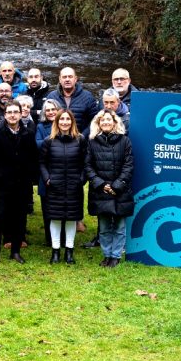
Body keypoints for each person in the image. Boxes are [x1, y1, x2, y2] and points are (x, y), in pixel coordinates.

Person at [0, 100, 38, 266]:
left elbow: (32, 157)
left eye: (16, 112)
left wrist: (28, 176)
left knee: (19, 218)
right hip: (0, 184)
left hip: (21, 184)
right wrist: (0, 175)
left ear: (21, 113)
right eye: (10, 112)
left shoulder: (28, 133)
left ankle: (16, 251)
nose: (13, 115)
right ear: (5, 114)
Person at [85, 109, 134, 268]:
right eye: (102, 120)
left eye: (108, 120)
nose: (105, 122)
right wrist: (101, 184)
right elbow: (88, 166)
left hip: (120, 191)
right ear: (98, 123)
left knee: (120, 227)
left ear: (115, 122)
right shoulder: (92, 142)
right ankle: (107, 255)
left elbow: (128, 165)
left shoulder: (124, 141)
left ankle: (116, 256)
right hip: (100, 191)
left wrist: (117, 185)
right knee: (104, 227)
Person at [40, 109, 87, 265]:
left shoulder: (80, 140)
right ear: (57, 121)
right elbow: (42, 162)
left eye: (68, 119)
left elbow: (86, 162)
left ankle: (69, 251)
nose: (65, 122)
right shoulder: (49, 141)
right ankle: (55, 251)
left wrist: (82, 179)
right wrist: (47, 178)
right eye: (62, 119)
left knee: (71, 218)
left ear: (72, 121)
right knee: (55, 218)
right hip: (55, 186)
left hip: (74, 186)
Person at [35, 99, 62, 246]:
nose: (51, 112)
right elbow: (38, 144)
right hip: (47, 171)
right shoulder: (41, 126)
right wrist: (55, 141)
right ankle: (49, 238)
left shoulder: (65, 124)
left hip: (64, 171)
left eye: (54, 109)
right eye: (48, 110)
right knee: (47, 209)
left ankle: (63, 237)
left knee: (62, 207)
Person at [47, 67, 98, 134]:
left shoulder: (88, 97)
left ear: (75, 79)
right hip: (56, 138)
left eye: (70, 77)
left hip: (80, 139)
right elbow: (45, 120)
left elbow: (95, 120)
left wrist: (82, 136)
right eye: (64, 77)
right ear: (60, 79)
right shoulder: (52, 96)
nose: (67, 79)